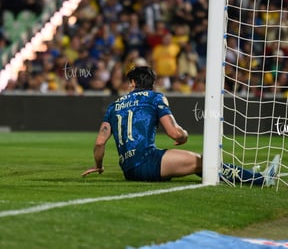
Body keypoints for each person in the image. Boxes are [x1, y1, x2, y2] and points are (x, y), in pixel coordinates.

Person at [81, 66, 277, 186]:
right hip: (148, 162)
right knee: (203, 162)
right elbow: (175, 133)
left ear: (132, 83)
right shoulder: (155, 97)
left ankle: (248, 174)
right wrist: (184, 135)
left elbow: (100, 142)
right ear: (153, 83)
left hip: (128, 168)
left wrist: (98, 166)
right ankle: (259, 179)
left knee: (198, 163)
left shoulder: (114, 105)